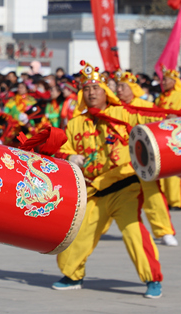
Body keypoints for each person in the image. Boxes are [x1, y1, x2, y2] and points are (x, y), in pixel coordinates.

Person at [52, 62, 164, 299]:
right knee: (78, 234)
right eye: (87, 89)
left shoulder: (123, 113)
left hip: (125, 186)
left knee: (133, 233)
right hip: (94, 190)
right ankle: (73, 276)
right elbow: (62, 149)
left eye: (96, 88)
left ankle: (152, 279)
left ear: (106, 92)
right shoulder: (76, 123)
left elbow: (154, 121)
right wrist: (70, 156)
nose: (91, 93)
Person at [114, 71, 178, 247]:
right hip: (118, 162)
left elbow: (159, 122)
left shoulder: (145, 106)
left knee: (153, 196)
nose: (119, 90)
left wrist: (169, 119)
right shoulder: (113, 107)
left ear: (132, 88)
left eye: (122, 86)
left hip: (141, 159)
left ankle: (164, 231)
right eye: (117, 86)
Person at [155, 66, 181, 211]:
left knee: (177, 172)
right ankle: (166, 200)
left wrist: (173, 118)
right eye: (162, 79)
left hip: (178, 137)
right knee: (164, 171)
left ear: (174, 81)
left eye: (166, 79)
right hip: (162, 137)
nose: (163, 82)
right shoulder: (160, 97)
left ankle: (177, 201)